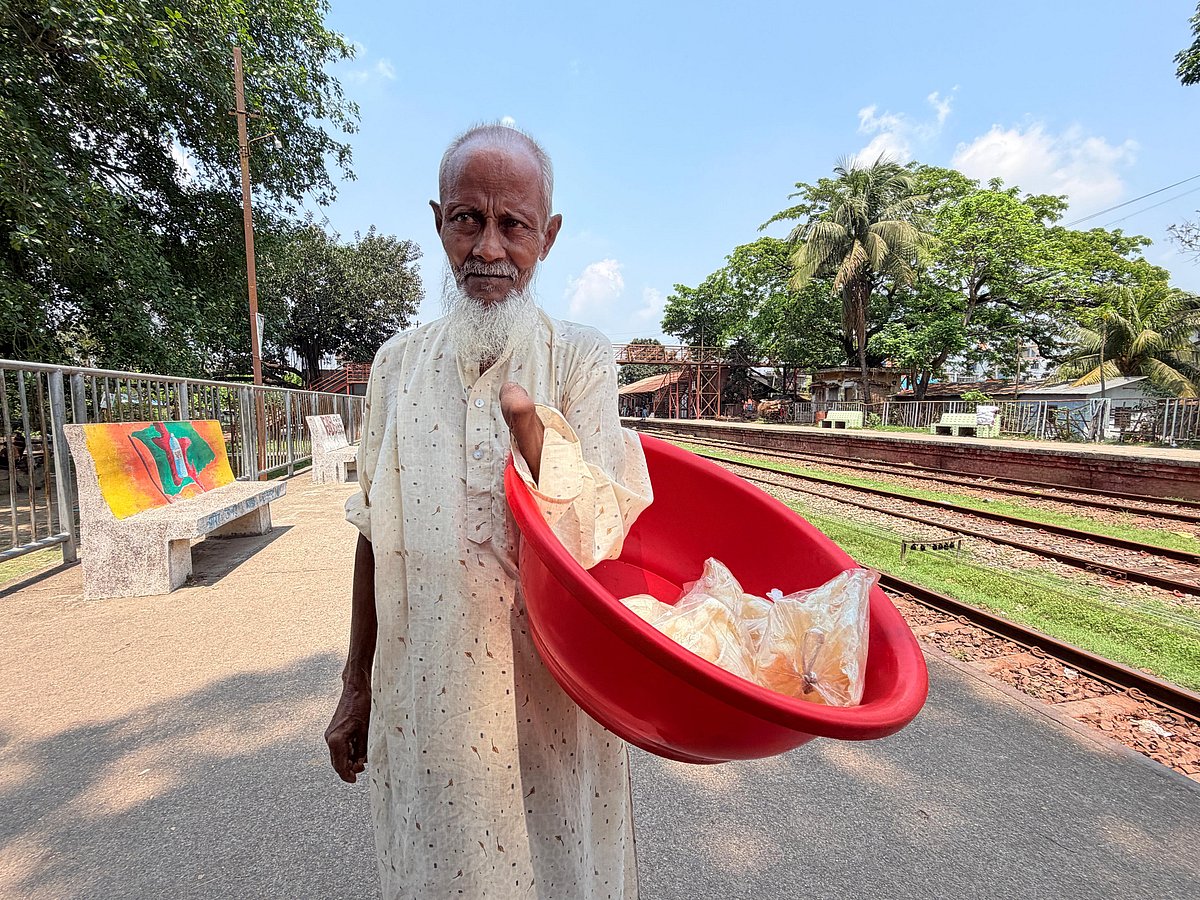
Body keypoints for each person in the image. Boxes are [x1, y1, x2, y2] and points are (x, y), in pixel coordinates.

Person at [324, 124, 652, 899]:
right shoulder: (395, 365)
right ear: (438, 220)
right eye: (468, 219)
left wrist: (540, 450)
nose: (489, 249)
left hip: (550, 706)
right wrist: (355, 683)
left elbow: (607, 532)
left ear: (551, 235)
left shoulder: (579, 357)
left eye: (515, 225)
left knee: (559, 870)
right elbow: (375, 534)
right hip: (424, 701)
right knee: (436, 870)